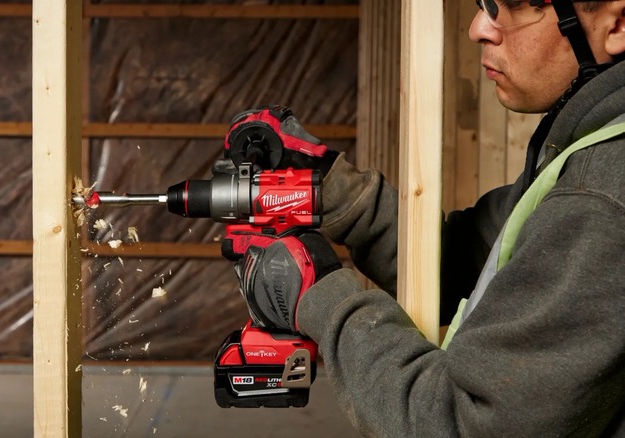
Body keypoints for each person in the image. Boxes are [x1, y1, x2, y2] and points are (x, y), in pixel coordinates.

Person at [230, 0, 625, 435]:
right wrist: (331, 191)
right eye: (482, 5)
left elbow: (462, 423)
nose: (478, 28)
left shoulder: (599, 197)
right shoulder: (586, 150)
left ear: (618, 24)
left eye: (510, 5)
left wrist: (318, 294)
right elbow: (463, 262)